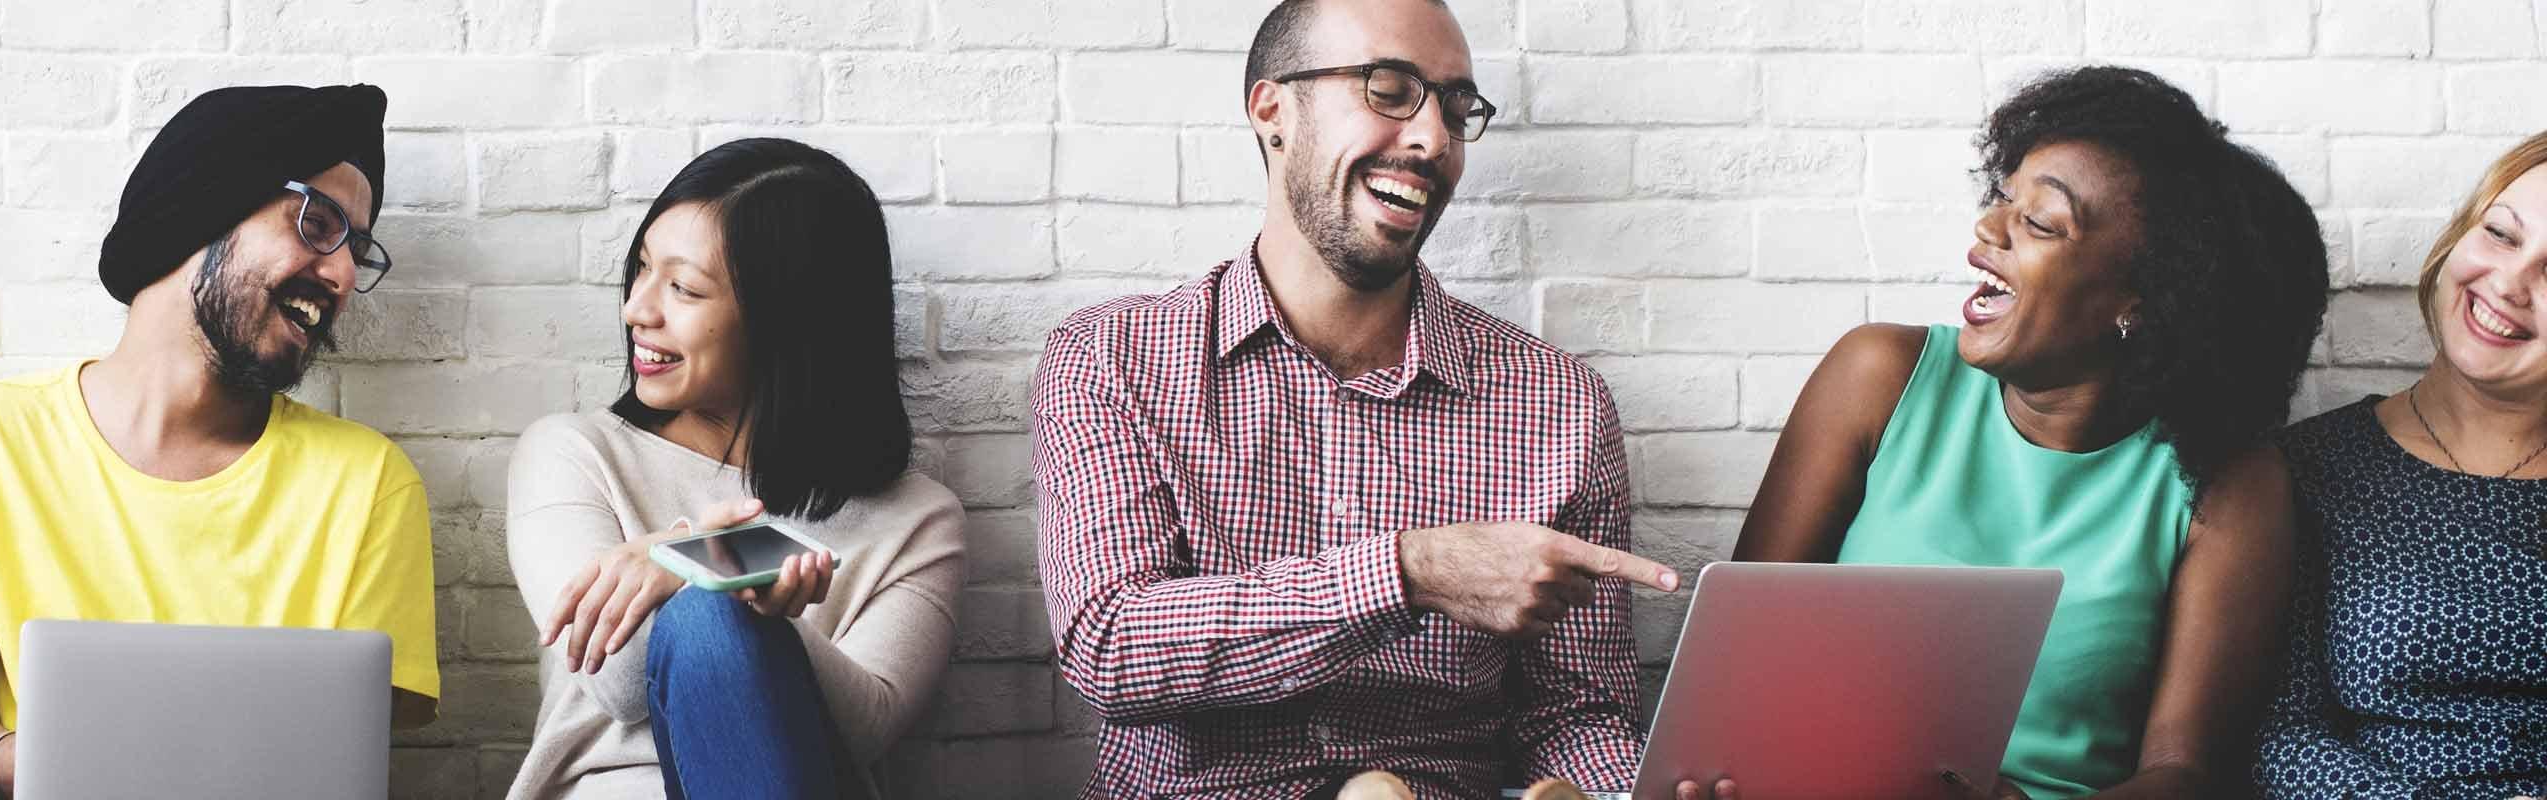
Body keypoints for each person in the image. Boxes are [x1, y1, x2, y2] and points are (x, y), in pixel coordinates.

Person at [1029, 0, 1681, 797]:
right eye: (1388, 88)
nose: (1434, 139)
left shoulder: (1559, 404)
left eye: (1455, 106)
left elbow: (1573, 713)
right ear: (1273, 111)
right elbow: (1112, 645)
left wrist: (1628, 786)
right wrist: (1410, 572)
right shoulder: (1112, 358)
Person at [1726, 66, 2321, 799]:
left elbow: (2184, 773)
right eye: (2003, 198)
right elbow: (1733, 662)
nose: (1988, 228)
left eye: (2041, 223)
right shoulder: (1878, 377)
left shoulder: (2226, 482)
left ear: (2143, 299)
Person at [0, 84, 436, 798]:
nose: (346, 275)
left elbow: (344, 766)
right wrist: (76, 768)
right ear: (205, 208)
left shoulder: (368, 484)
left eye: (359, 248)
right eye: (317, 224)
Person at [502, 138, 966, 799]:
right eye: (641, 269)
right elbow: (616, 681)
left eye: (685, 288)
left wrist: (728, 575)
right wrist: (710, 558)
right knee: (709, 618)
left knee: (716, 618)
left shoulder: (918, 519)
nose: (638, 309)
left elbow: (868, 730)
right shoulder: (573, 455)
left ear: (786, 322)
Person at [2251, 131, 2547, 798]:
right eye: (2501, 234)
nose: (2510, 282)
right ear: (2456, 239)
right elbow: (2280, 736)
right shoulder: (2311, 470)